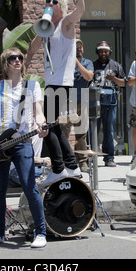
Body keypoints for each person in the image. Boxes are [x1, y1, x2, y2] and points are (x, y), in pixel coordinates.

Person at [0, 48, 48, 248]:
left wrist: (42, 126)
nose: (17, 61)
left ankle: (40, 233)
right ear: (5, 62)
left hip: (22, 142)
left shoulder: (32, 86)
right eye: (12, 58)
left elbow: (39, 113)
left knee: (29, 186)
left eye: (20, 58)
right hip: (0, 144)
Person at [26, 0, 86, 187]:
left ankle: (59, 169)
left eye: (54, 2)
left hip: (61, 83)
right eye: (47, 1)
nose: (50, 4)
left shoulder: (65, 24)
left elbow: (79, 12)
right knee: (54, 127)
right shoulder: (49, 27)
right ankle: (71, 166)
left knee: (48, 127)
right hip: (52, 83)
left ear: (62, 4)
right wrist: (43, 26)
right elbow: (32, 49)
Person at [60, 39, 94, 172]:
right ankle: (64, 160)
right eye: (75, 47)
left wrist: (77, 62)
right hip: (66, 103)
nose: (78, 49)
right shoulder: (64, 62)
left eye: (80, 47)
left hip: (82, 102)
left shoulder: (88, 63)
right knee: (64, 132)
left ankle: (82, 162)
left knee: (81, 133)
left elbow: (89, 76)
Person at [91, 41, 126, 167]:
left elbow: (124, 83)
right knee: (93, 130)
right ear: (97, 52)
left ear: (109, 52)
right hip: (95, 103)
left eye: (105, 51)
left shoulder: (116, 65)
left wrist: (114, 79)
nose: (103, 53)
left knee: (109, 131)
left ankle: (109, 158)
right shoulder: (92, 65)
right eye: (101, 51)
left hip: (111, 103)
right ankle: (92, 158)